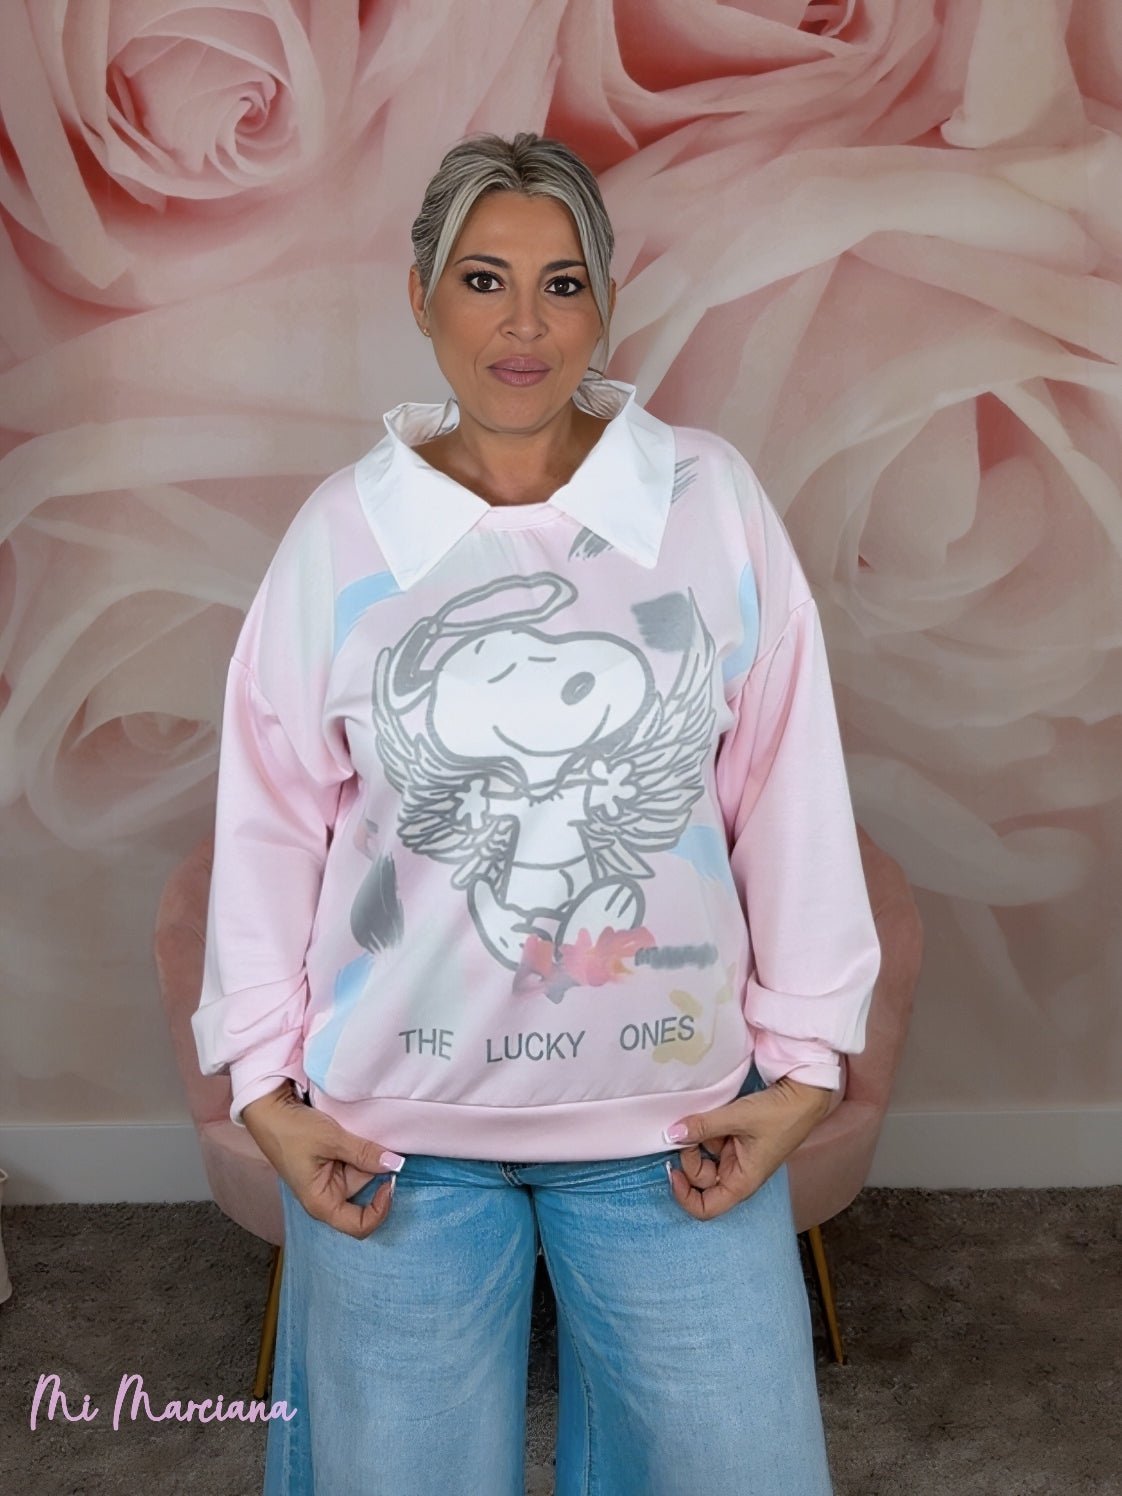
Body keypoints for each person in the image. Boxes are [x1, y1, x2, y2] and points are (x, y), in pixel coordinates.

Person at [192, 130, 881, 1496]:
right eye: (483, 279)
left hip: (676, 1126)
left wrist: (804, 1067)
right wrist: (261, 1085)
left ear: (605, 302)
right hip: (391, 1140)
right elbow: (269, 821)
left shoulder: (709, 504)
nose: (524, 324)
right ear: (420, 296)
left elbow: (786, 788)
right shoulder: (342, 537)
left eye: (562, 284)